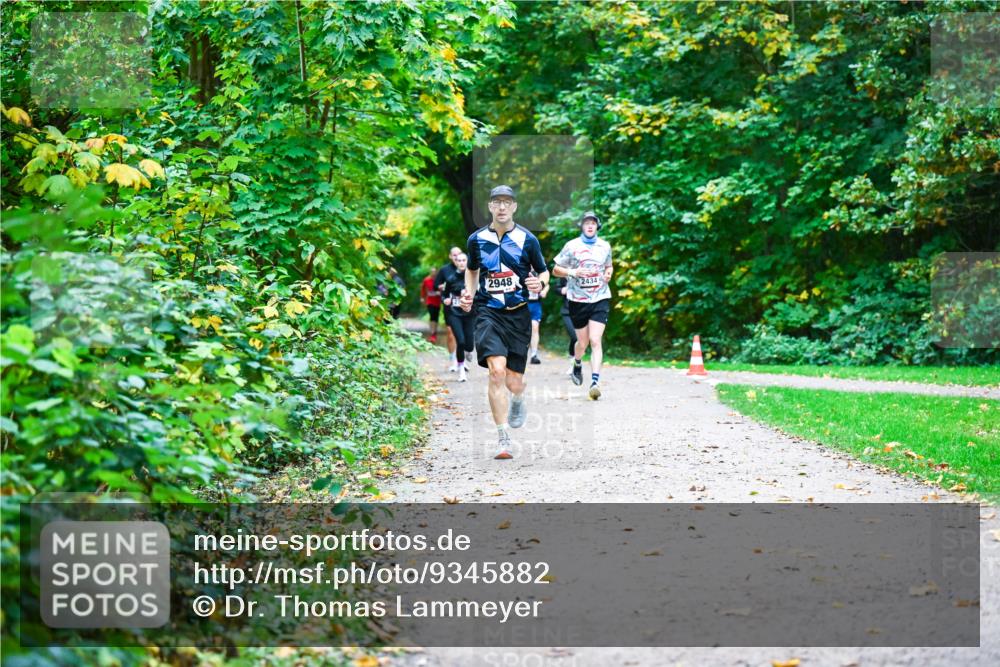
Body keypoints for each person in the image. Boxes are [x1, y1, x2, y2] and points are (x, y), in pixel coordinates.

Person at [459, 185, 549, 460]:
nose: (501, 207)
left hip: (519, 314)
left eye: (506, 202)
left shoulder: (527, 239)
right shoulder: (476, 240)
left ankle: (518, 398)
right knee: (496, 372)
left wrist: (539, 283)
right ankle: (503, 438)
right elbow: (472, 270)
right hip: (488, 312)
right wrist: (469, 295)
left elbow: (543, 272)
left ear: (514, 207)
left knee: (514, 382)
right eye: (497, 202)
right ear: (489, 206)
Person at [552, 211, 613, 400]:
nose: (590, 226)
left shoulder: (605, 246)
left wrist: (608, 274)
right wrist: (572, 272)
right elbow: (555, 270)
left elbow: (609, 266)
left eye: (593, 223)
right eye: (587, 223)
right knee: (583, 343)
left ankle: (595, 382)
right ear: (582, 226)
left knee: (595, 340)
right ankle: (577, 362)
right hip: (578, 300)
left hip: (600, 297)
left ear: (597, 226)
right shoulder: (572, 246)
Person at [441, 253, 475, 382]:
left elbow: (480, 295)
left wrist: (470, 296)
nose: (461, 262)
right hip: (454, 314)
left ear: (467, 262)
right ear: (456, 262)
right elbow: (444, 295)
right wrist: (446, 300)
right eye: (459, 260)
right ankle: (461, 370)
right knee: (460, 341)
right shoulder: (451, 279)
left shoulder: (472, 278)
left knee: (469, 345)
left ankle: (468, 351)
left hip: (469, 314)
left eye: (463, 260)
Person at [437, 247, 462, 371]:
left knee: (463, 334)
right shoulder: (444, 270)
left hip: (464, 306)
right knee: (451, 333)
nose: (456, 257)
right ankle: (453, 360)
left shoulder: (467, 269)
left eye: (459, 254)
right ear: (450, 256)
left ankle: (461, 360)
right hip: (450, 306)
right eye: (454, 255)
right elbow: (437, 285)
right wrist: (445, 286)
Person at [555, 276, 578, 374]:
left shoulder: (584, 272)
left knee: (580, 339)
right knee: (574, 337)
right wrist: (562, 290)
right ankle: (573, 362)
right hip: (567, 311)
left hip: (581, 310)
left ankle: (576, 363)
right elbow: (556, 288)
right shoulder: (564, 274)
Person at [527, 270, 549, 364]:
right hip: (522, 304)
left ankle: (534, 354)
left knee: (535, 328)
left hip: (535, 304)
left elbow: (546, 284)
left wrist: (544, 290)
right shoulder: (520, 266)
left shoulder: (538, 270)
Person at [420, 269, 442, 343]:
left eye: (434, 271)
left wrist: (440, 293)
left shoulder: (439, 280)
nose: (433, 273)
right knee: (432, 316)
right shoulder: (426, 280)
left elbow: (443, 288)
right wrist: (422, 297)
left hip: (437, 301)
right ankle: (432, 333)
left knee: (436, 317)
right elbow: (423, 289)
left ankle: (434, 332)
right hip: (430, 301)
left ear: (436, 272)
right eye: (432, 271)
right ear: (430, 272)